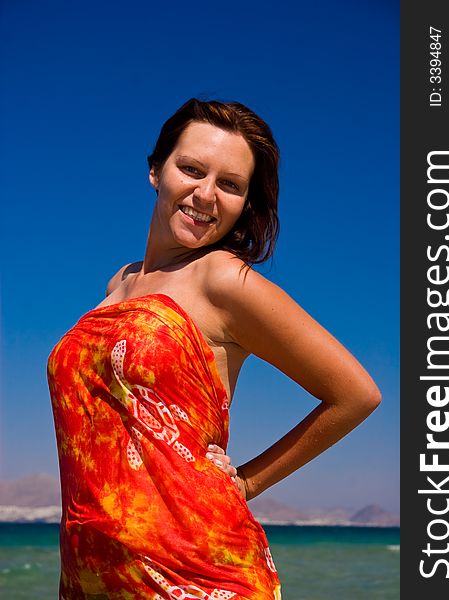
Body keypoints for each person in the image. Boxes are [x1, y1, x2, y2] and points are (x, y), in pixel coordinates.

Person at [47, 98, 381, 599]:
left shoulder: (223, 280)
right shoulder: (120, 281)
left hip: (198, 573)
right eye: (192, 170)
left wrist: (248, 482)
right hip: (93, 572)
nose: (205, 195)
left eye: (230, 185)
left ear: (246, 203)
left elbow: (356, 394)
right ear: (156, 170)